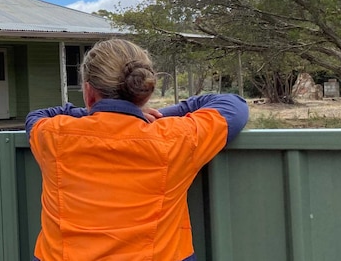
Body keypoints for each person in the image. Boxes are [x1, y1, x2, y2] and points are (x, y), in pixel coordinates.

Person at [26, 39, 248, 261]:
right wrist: (166, 112)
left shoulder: (53, 136)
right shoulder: (174, 138)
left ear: (88, 92)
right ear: (144, 92)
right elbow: (233, 106)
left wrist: (89, 113)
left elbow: (36, 117)